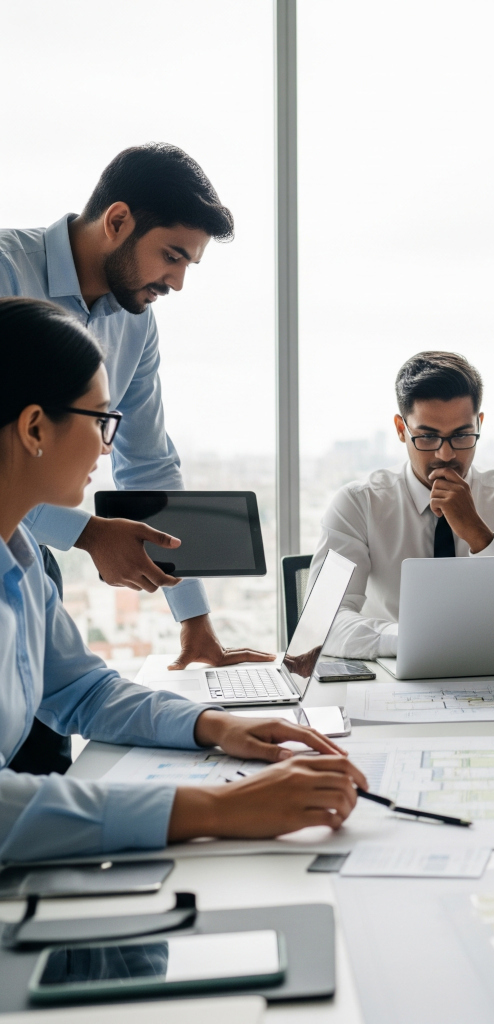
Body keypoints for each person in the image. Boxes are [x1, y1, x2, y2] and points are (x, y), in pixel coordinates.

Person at [0, 297, 367, 861]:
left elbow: (82, 690)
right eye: (101, 419)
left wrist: (215, 727)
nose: (109, 443)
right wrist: (219, 810)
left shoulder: (22, 560)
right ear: (33, 427)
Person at [0, 143, 273, 775]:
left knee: (43, 758)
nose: (177, 281)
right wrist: (88, 531)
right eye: (172, 255)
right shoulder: (7, 274)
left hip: (29, 555)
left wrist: (195, 624)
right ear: (117, 221)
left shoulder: (136, 320)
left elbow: (148, 468)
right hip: (27, 534)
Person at [311, 351, 494, 660]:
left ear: (479, 424)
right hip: (391, 672)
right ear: (401, 429)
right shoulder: (358, 504)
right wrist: (414, 640)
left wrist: (478, 534)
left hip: (493, 673)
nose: (447, 454)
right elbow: (323, 622)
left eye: (462, 435)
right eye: (427, 437)